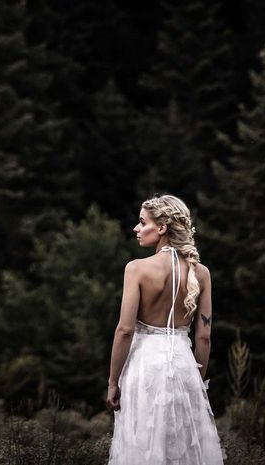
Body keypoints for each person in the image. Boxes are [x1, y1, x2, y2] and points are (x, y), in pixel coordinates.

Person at [105, 193, 224, 464]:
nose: (136, 228)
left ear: (161, 228)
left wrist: (113, 381)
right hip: (184, 366)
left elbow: (125, 330)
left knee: (144, 445)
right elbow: (204, 336)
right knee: (181, 448)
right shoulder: (201, 273)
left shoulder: (136, 269)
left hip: (144, 365)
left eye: (142, 222)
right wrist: (196, 382)